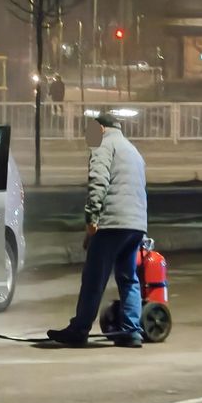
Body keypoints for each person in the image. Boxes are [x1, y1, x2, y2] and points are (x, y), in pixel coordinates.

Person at [47, 112, 148, 348]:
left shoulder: (103, 145)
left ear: (100, 129)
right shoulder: (133, 151)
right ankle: (131, 332)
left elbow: (98, 181)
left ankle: (79, 329)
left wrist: (92, 217)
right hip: (135, 224)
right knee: (128, 278)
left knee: (94, 277)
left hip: (112, 223)